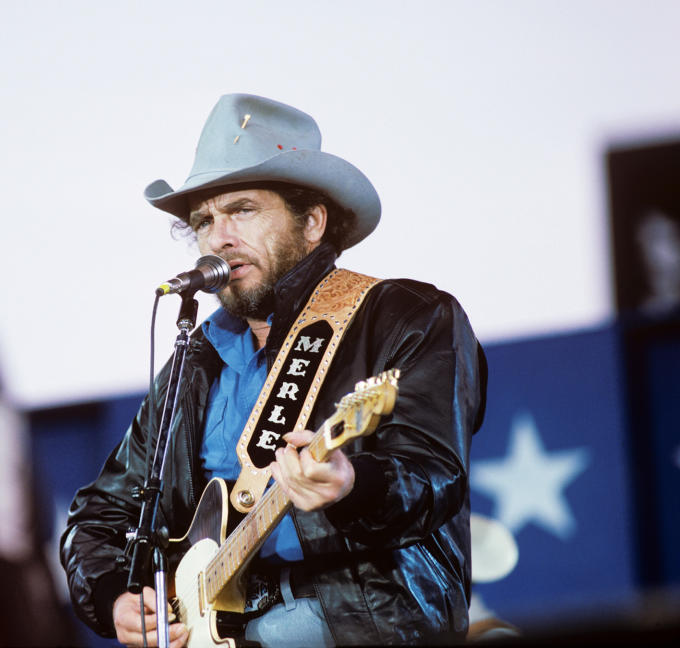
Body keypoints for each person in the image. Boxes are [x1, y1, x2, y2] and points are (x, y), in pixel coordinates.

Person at [60, 93, 487, 646]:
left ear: (312, 222)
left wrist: (352, 485)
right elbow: (99, 515)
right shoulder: (198, 360)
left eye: (242, 209)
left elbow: (432, 473)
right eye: (203, 221)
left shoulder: (407, 318)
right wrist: (114, 594)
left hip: (357, 625)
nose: (218, 237)